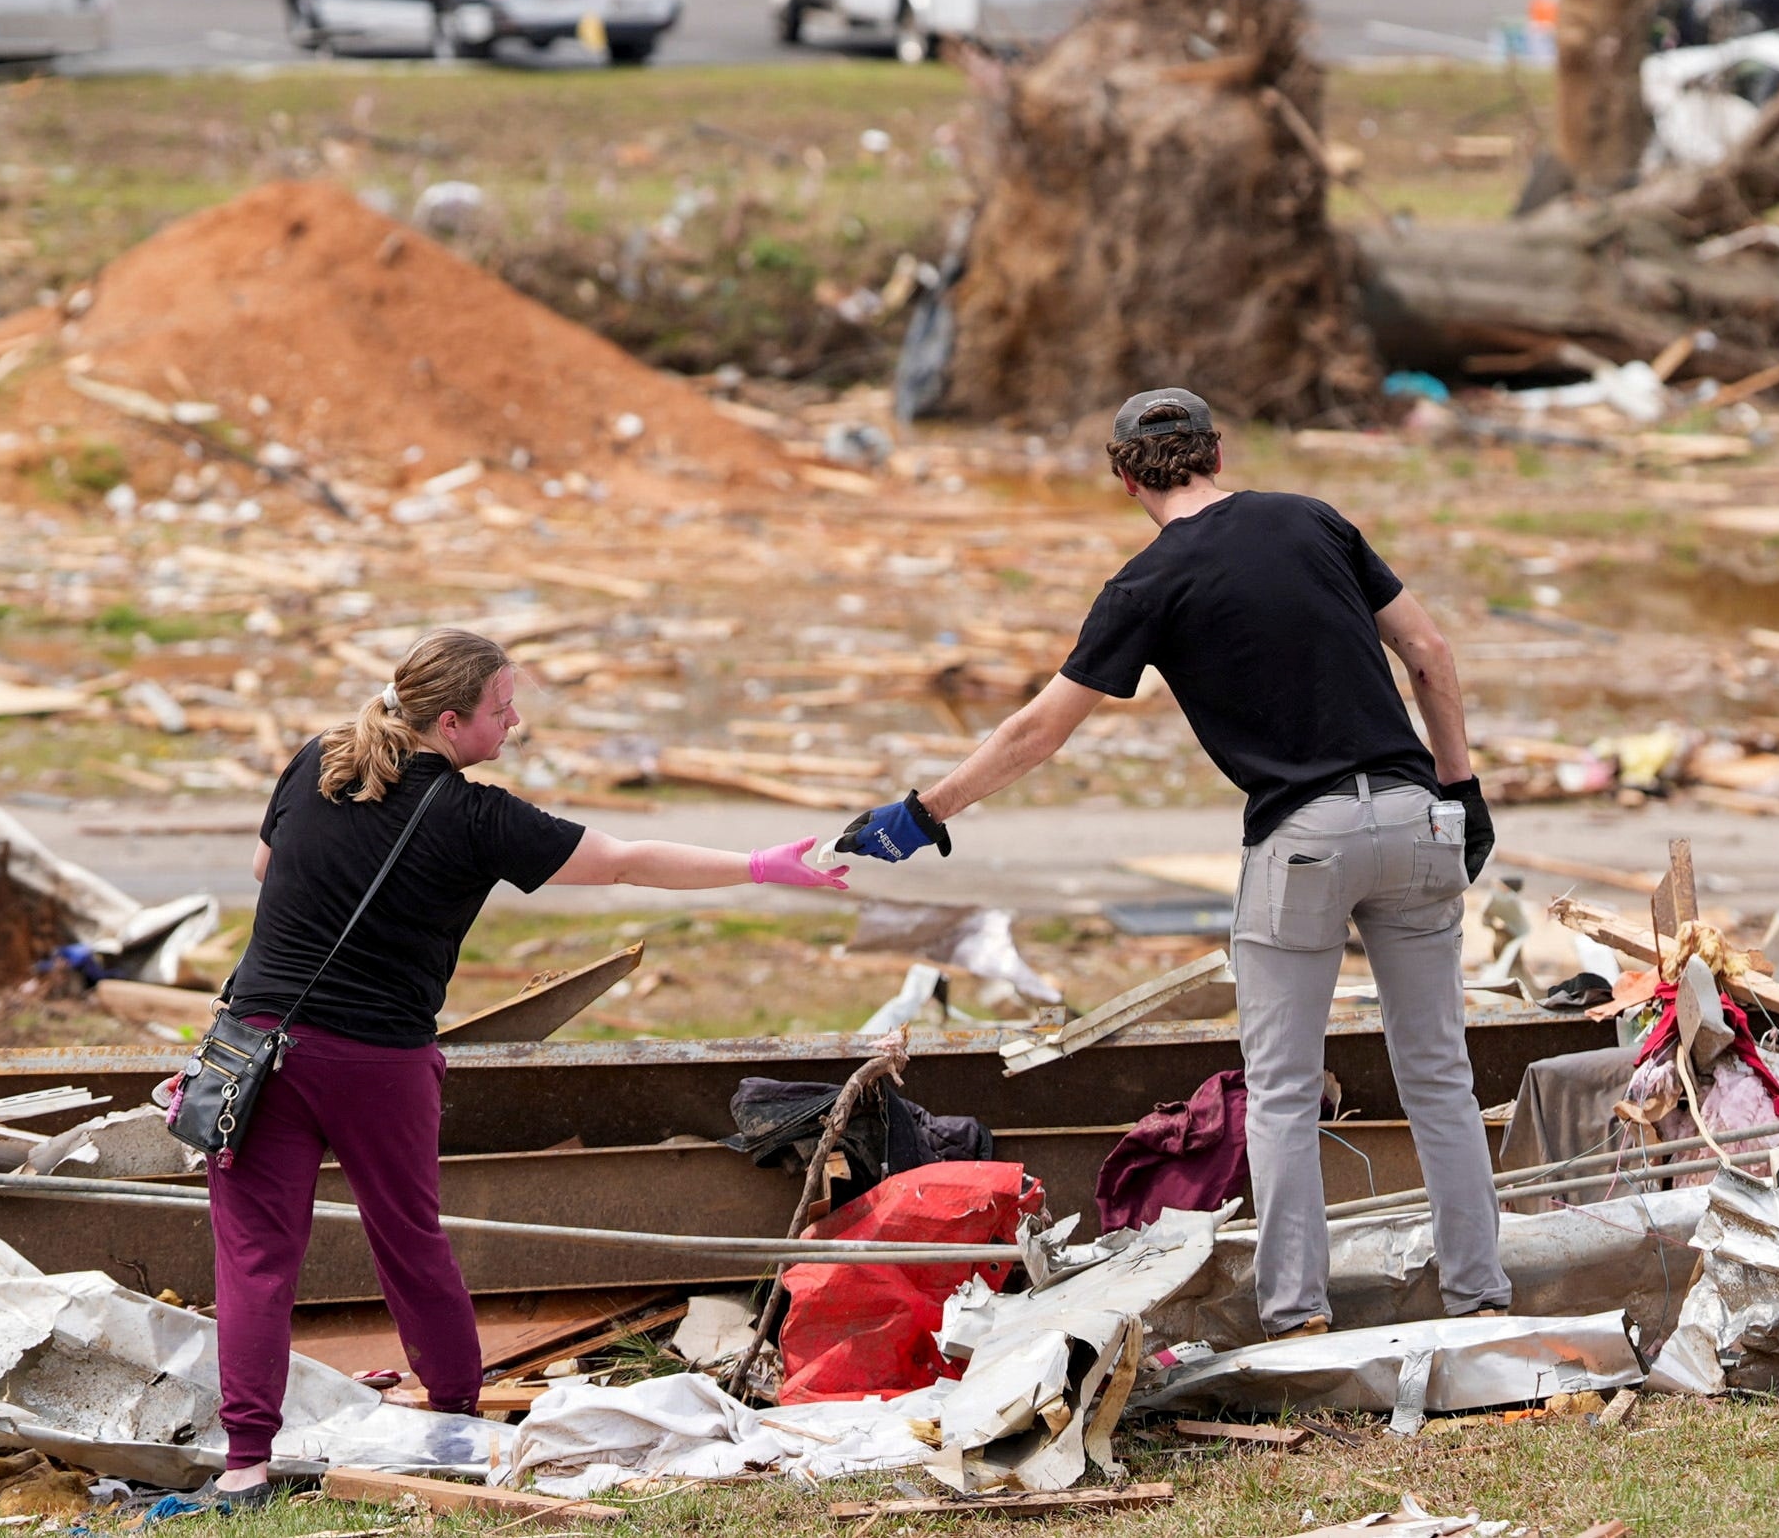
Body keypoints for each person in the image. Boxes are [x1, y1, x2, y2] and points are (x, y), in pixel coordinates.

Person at [833, 388, 1501, 1336]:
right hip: (1416, 815)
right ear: (1217, 453)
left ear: (1123, 478)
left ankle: (1297, 1315)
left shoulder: (1145, 584)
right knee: (1439, 1073)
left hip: (1303, 840)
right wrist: (1461, 787)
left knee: (1282, 1089)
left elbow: (1037, 731)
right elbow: (1428, 650)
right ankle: (1481, 1294)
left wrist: (924, 812)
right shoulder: (1314, 519)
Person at [201, 627, 848, 1504]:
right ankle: (454, 1418)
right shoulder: (478, 818)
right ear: (451, 720)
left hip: (260, 1046)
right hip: (379, 1062)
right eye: (502, 708)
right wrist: (762, 866)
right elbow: (623, 863)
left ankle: (245, 1463)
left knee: (255, 1258)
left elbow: (264, 866)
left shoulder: (320, 759)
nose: (514, 723)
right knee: (408, 1241)